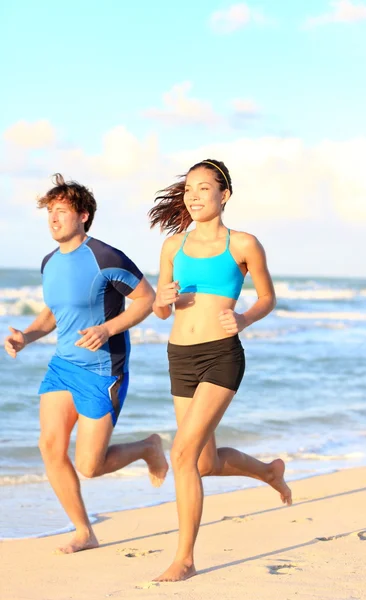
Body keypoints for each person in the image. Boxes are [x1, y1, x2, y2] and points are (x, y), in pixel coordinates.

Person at [4, 174, 168, 554]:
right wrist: (25, 337)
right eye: (50, 212)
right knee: (49, 446)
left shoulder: (106, 257)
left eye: (61, 211)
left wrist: (107, 328)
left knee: (90, 466)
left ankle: (148, 447)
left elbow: (147, 299)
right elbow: (54, 314)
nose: (53, 219)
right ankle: (84, 531)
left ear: (84, 215)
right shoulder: (50, 262)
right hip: (63, 366)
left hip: (101, 371)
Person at [149, 159, 292, 581]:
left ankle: (185, 560)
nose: (193, 196)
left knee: (181, 454)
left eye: (203, 188)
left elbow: (267, 297)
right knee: (204, 462)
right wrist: (162, 298)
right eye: (188, 189)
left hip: (221, 356)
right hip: (179, 356)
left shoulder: (243, 244)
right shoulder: (173, 246)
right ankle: (269, 472)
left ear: (223, 194)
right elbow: (159, 310)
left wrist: (245, 319)